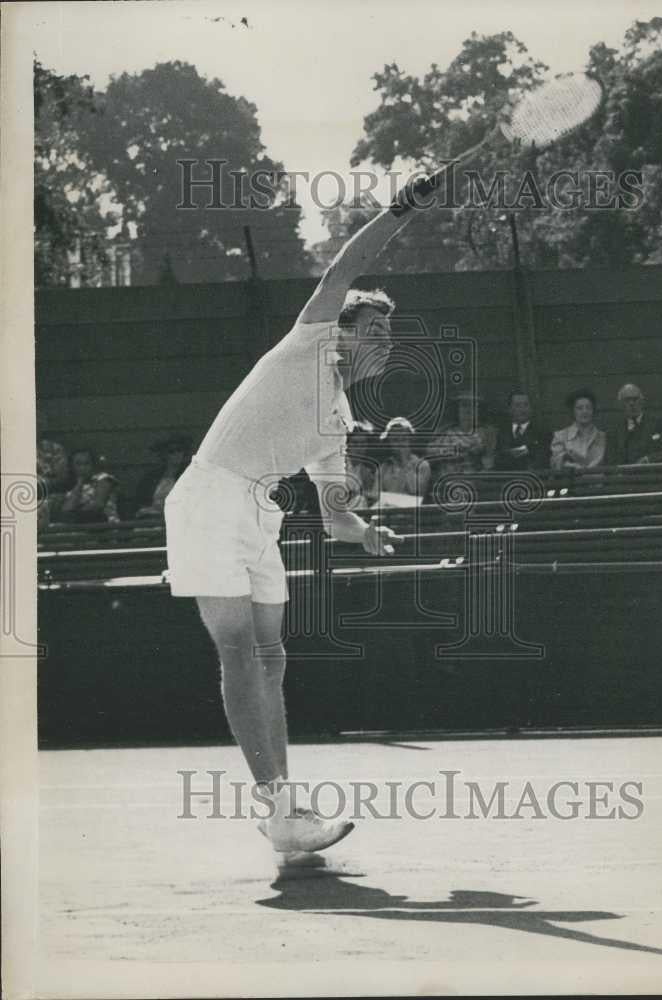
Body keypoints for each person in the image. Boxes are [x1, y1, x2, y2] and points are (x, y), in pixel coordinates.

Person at [164, 170, 450, 861]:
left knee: (271, 655)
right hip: (209, 498)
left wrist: (361, 528)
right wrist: (403, 206)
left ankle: (283, 809)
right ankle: (280, 810)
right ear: (341, 328)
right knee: (239, 650)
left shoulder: (338, 420)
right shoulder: (309, 340)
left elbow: (333, 515)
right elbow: (350, 262)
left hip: (258, 512)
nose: (385, 339)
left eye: (390, 331)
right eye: (374, 328)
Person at [426, 393, 498, 484]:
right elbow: (430, 455)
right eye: (464, 406)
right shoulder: (445, 431)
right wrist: (449, 451)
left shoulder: (487, 433)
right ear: (457, 409)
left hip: (474, 482)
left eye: (472, 406)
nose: (468, 410)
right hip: (448, 480)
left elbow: (489, 463)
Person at [611, 383, 662, 465]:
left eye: (635, 399)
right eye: (627, 400)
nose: (631, 403)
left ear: (642, 401)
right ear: (620, 404)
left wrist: (649, 459)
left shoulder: (660, 424)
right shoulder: (615, 430)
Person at [134, 433, 192, 518]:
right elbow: (141, 502)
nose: (176, 454)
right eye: (171, 451)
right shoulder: (151, 478)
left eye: (179, 450)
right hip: (153, 518)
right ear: (164, 455)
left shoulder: (188, 476)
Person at [58, 449, 120, 524]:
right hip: (81, 526)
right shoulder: (73, 487)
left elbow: (98, 506)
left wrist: (75, 513)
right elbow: (66, 511)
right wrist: (80, 483)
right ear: (72, 467)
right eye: (78, 464)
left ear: (93, 465)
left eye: (86, 464)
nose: (83, 468)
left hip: (106, 525)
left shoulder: (104, 479)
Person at [550, 388, 607, 470]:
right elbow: (556, 463)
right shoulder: (560, 436)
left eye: (588, 407)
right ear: (573, 411)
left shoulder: (602, 437)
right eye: (579, 408)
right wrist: (576, 467)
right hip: (571, 481)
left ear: (593, 410)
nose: (585, 411)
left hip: (596, 481)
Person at [494, 389, 550, 471]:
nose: (523, 410)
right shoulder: (502, 432)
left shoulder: (542, 432)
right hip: (506, 479)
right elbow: (498, 458)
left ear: (531, 408)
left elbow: (541, 458)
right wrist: (527, 450)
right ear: (510, 409)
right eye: (517, 405)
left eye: (526, 405)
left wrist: (511, 453)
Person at [377, 417, 431, 502]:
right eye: (395, 440)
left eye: (404, 439)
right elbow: (376, 497)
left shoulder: (422, 465)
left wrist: (404, 462)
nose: (400, 444)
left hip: (414, 513)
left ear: (410, 440)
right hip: (388, 512)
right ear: (389, 443)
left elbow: (417, 493)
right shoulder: (383, 468)